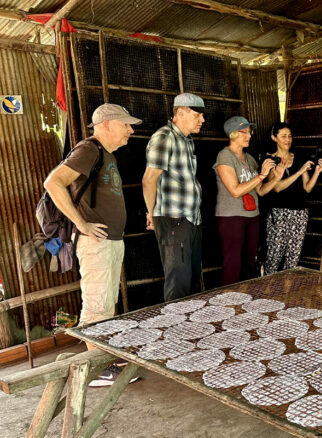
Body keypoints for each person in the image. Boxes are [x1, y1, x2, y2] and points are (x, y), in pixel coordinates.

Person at [44, 103, 141, 386]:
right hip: (94, 242)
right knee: (96, 306)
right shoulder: (88, 150)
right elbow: (53, 183)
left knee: (106, 304)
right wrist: (81, 223)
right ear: (108, 124)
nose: (130, 130)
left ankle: (105, 358)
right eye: (126, 125)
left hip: (109, 241)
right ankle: (95, 370)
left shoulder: (106, 155)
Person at [142, 93, 205, 302]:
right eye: (197, 115)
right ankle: (174, 331)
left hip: (190, 219)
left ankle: (192, 331)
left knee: (192, 283)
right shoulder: (165, 137)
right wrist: (152, 213)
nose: (202, 120)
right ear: (180, 113)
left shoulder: (187, 140)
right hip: (173, 220)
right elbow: (149, 179)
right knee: (178, 284)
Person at [214, 116, 283, 284]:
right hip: (232, 217)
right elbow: (235, 191)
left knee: (249, 263)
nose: (248, 135)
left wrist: (274, 179)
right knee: (233, 264)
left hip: (252, 216)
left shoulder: (250, 159)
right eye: (243, 132)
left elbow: (259, 191)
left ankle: (246, 303)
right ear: (231, 135)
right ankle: (229, 304)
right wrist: (261, 176)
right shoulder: (225, 156)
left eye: (249, 132)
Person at [263, 122, 322, 275]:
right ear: (274, 138)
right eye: (283, 136)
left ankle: (285, 293)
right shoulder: (270, 161)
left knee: (293, 258)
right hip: (279, 214)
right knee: (274, 256)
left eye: (289, 136)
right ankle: (265, 291)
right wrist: (298, 172)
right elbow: (276, 187)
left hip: (299, 214)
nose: (288, 139)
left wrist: (317, 172)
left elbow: (307, 188)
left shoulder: (299, 158)